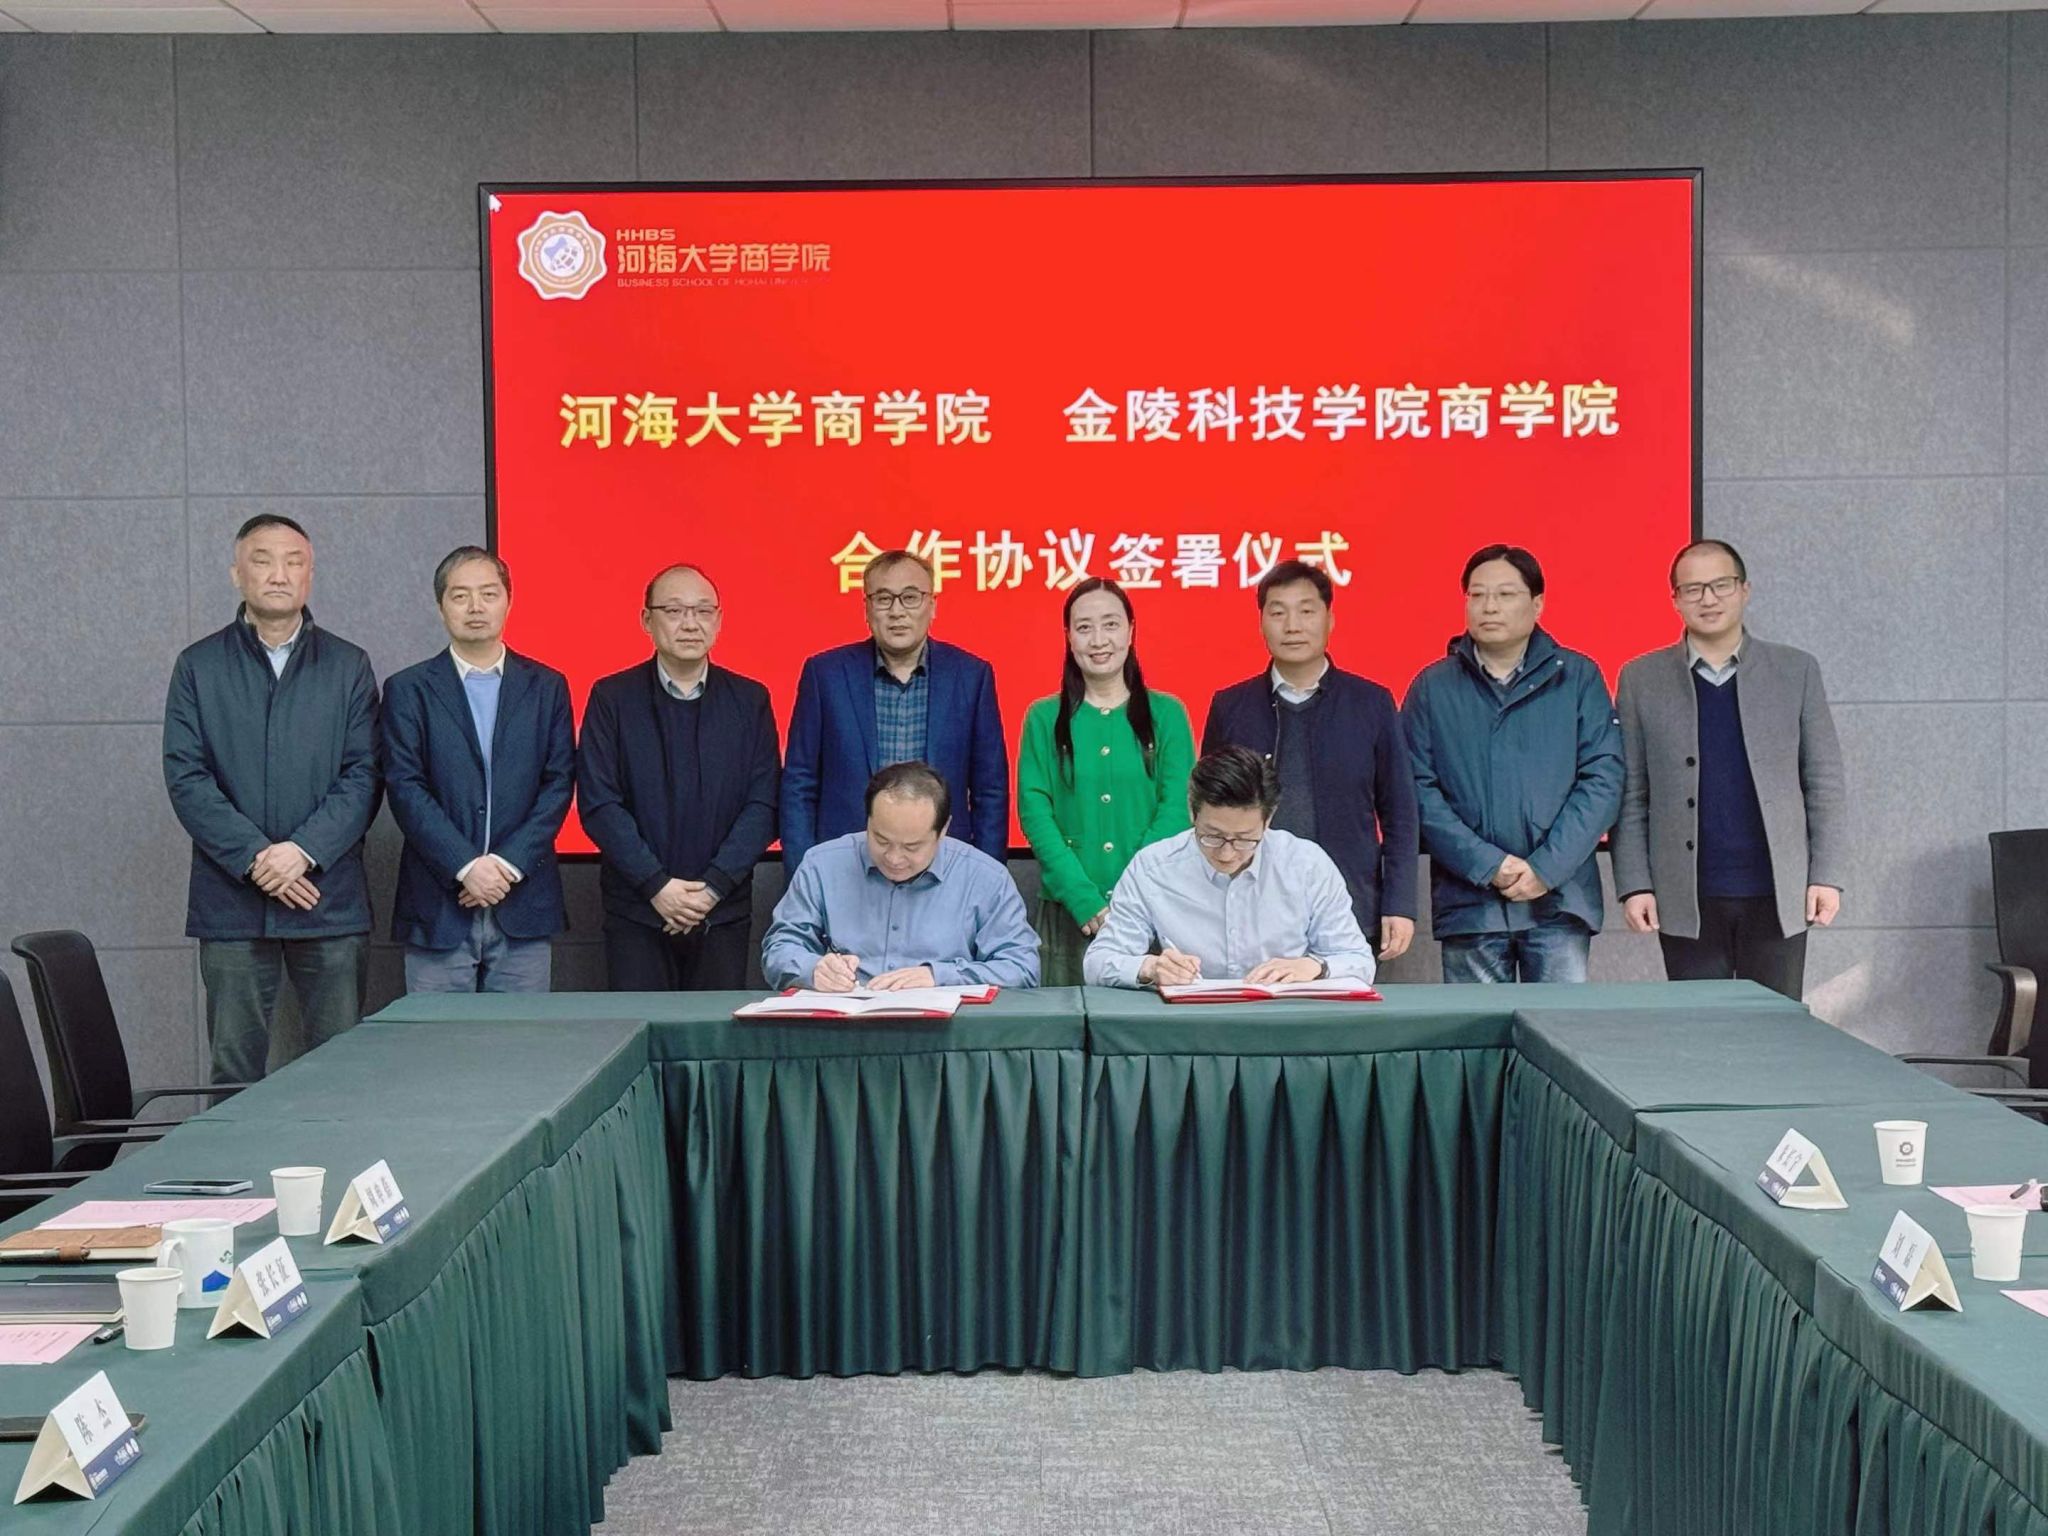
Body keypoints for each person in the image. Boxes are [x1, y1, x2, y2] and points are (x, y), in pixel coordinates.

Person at [162, 514, 380, 1082]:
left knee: (339, 1068)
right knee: (234, 1069)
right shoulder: (199, 665)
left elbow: (364, 774)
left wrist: (302, 852)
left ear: (310, 574)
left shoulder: (348, 665)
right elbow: (187, 776)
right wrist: (258, 858)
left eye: (293, 561)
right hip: (232, 900)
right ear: (237, 574)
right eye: (262, 560)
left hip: (326, 899)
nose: (278, 574)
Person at [1613, 539, 1846, 999]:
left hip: (1777, 889)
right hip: (1686, 893)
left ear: (1744, 590)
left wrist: (1826, 875)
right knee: (1700, 1028)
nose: (1708, 598)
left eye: (1721, 585)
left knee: (1776, 1030)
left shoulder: (1796, 670)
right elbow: (1631, 793)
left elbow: (1823, 782)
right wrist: (1635, 884)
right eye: (1693, 588)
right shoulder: (1641, 678)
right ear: (1675, 600)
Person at [1402, 544, 1622, 984]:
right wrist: (1488, 865)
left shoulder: (1577, 677)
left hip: (1559, 900)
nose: (1489, 607)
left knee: (1560, 1026)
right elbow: (1416, 789)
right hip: (1470, 903)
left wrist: (1545, 869)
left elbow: (1603, 778)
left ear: (1537, 604)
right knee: (1476, 1027)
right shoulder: (1432, 687)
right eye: (1477, 595)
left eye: (1505, 594)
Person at [1201, 559, 1419, 962]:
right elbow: (1208, 813)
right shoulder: (1231, 706)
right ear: (1261, 622)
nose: (1292, 626)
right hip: (1250, 911)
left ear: (1329, 619)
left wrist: (1400, 903)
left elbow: (1400, 814)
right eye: (1278, 613)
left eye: (1306, 611)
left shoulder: (1371, 703)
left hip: (1349, 907)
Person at [577, 564, 780, 990]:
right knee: (639, 1028)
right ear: (646, 620)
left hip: (722, 911)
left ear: (718, 620)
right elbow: (599, 803)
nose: (690, 624)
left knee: (715, 1031)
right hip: (637, 910)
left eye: (703, 611)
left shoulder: (750, 700)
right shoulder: (612, 698)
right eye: (674, 611)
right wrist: (657, 886)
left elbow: (764, 804)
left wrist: (712, 889)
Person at [381, 546, 574, 993]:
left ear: (509, 601)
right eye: (460, 595)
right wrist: (466, 866)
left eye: (489, 594)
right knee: (438, 1037)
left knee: (521, 1037)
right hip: (438, 904)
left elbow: (559, 783)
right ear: (440, 606)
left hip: (523, 901)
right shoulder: (408, 689)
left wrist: (505, 866)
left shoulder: (547, 686)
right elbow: (405, 787)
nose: (475, 607)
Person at [1016, 579, 1196, 985]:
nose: (1098, 640)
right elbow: (1035, 812)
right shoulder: (1043, 717)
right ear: (1068, 637)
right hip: (1070, 911)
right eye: (1084, 627)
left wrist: (1130, 895)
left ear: (1131, 631)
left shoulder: (1167, 714)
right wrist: (1083, 899)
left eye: (1111, 624)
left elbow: (1177, 809)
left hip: (1152, 909)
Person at [781, 549, 1008, 871]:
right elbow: (799, 784)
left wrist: (987, 878)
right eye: (884, 599)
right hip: (845, 867)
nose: (897, 611)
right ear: (867, 608)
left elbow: (990, 791)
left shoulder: (971, 676)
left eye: (910, 597)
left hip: (943, 868)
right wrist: (803, 873)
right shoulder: (825, 674)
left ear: (932, 605)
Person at [1083, 746, 1376, 989]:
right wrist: (1150, 967)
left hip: (1284, 1021)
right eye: (1212, 836)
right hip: (1189, 1025)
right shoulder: (1153, 868)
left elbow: (1358, 960)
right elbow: (1098, 962)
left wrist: (1314, 966)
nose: (1226, 853)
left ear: (1268, 819)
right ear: (1192, 811)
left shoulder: (1307, 865)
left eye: (1245, 839)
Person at [761, 762, 1040, 992]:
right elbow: (779, 949)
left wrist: (939, 977)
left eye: (912, 847)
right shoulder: (822, 865)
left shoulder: (985, 878)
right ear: (868, 820)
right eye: (881, 840)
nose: (894, 858)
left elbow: (1022, 968)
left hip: (945, 1036)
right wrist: (813, 970)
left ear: (943, 830)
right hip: (844, 1031)